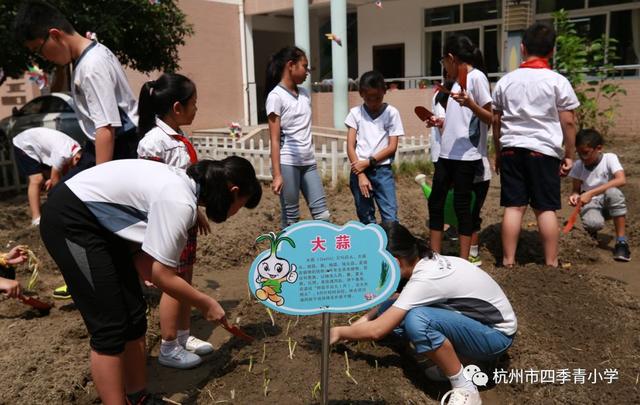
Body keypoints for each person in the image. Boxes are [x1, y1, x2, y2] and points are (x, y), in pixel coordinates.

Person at [39, 157, 261, 405]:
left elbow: (153, 261)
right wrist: (206, 303)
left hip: (103, 225)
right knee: (109, 327)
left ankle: (139, 397)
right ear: (233, 191)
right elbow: (162, 275)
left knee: (134, 317)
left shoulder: (185, 189)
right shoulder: (179, 201)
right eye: (240, 206)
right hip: (72, 221)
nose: (235, 213)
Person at [15, 0, 140, 298]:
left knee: (67, 211)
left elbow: (106, 128)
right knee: (62, 205)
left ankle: (98, 279)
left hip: (115, 147)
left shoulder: (92, 66)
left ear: (55, 34)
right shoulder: (87, 55)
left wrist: (100, 185)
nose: (42, 58)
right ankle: (99, 277)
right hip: (99, 147)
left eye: (39, 50)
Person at [330, 222, 517, 405]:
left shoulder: (425, 279)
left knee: (418, 321)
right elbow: (398, 299)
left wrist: (340, 332)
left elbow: (377, 331)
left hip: (495, 337)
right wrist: (366, 318)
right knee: (392, 312)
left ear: (394, 262)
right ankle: (459, 360)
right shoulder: (427, 262)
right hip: (478, 325)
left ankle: (465, 387)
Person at [137, 73, 214, 369]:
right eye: (194, 103)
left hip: (184, 220)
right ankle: (169, 345)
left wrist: (196, 210)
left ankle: (183, 335)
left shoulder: (177, 136)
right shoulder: (154, 142)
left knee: (185, 279)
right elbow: (155, 186)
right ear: (178, 107)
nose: (197, 109)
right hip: (167, 223)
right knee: (173, 283)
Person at [492, 22, 579, 267]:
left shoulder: (506, 82)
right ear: (552, 51)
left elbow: (496, 121)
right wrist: (569, 154)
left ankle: (508, 261)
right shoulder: (557, 81)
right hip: (543, 150)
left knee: (514, 207)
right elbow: (568, 122)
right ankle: (551, 263)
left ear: (522, 48)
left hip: (511, 148)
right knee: (545, 208)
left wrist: (498, 152)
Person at [425, 35, 492, 260]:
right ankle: (435, 256)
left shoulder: (477, 78)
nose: (444, 66)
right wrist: (441, 122)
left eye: (444, 61)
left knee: (463, 207)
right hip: (447, 153)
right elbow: (460, 121)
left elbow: (491, 117)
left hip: (467, 156)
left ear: (451, 58)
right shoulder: (455, 82)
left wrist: (471, 104)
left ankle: (463, 262)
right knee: (436, 202)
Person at [265, 46, 330, 228]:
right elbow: (275, 139)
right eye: (305, 66)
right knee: (291, 218)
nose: (308, 72)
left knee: (323, 215)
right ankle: (288, 255)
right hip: (287, 163)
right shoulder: (276, 97)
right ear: (291, 65)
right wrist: (277, 175)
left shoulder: (305, 94)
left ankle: (324, 255)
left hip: (308, 163)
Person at [345, 70, 404, 224]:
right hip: (359, 171)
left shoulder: (392, 113)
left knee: (390, 216)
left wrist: (368, 162)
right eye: (369, 98)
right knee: (366, 217)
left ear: (384, 92)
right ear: (361, 94)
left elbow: (392, 147)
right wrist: (360, 173)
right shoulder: (355, 113)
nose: (373, 102)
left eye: (377, 98)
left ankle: (390, 247)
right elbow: (350, 147)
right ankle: (370, 247)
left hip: (382, 171)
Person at [568, 129, 630, 261]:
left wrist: (591, 192)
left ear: (599, 148)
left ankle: (621, 242)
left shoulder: (609, 158)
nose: (582, 157)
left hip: (609, 202)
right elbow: (575, 189)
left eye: (585, 153)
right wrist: (574, 195)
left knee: (613, 192)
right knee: (593, 223)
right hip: (591, 203)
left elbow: (621, 180)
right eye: (578, 153)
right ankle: (592, 232)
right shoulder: (578, 165)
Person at [12, 127, 82, 226]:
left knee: (53, 180)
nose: (74, 169)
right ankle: (36, 218)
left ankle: (53, 209)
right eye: (76, 166)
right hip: (24, 144)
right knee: (37, 179)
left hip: (40, 145)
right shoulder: (62, 153)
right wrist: (55, 182)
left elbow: (63, 174)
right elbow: (56, 180)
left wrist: (53, 180)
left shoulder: (75, 149)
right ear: (77, 158)